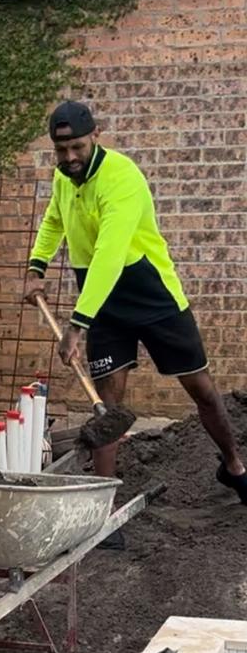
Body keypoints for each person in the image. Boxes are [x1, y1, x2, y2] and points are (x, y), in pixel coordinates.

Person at [24, 100, 247, 505]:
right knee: (108, 406)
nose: (70, 157)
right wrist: (36, 266)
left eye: (77, 147)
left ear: (95, 136)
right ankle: (103, 503)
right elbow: (54, 220)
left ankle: (233, 466)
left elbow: (109, 255)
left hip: (152, 296)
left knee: (201, 388)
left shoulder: (122, 179)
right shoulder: (64, 179)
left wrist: (77, 325)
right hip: (105, 307)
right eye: (61, 150)